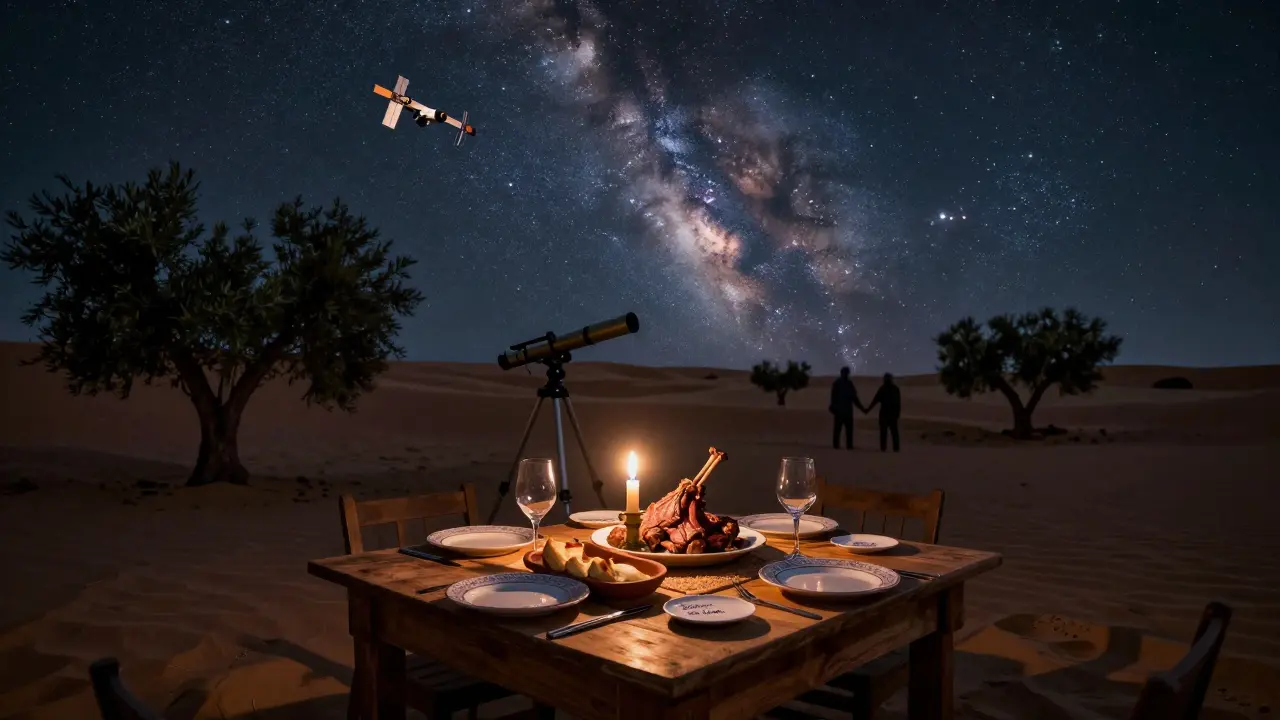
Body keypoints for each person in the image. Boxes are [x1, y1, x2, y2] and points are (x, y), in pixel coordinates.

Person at [829, 367, 866, 449]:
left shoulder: (844, 383)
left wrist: (862, 408)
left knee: (844, 430)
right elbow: (834, 397)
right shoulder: (843, 384)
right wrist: (862, 409)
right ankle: (840, 445)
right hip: (842, 411)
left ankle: (844, 445)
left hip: (844, 411)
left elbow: (854, 398)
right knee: (840, 429)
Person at [866, 372, 902, 452]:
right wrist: (897, 413)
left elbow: (875, 400)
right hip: (889, 414)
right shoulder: (893, 389)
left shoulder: (884, 389)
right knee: (892, 432)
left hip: (886, 414)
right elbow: (898, 404)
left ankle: (885, 448)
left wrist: (867, 410)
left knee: (887, 432)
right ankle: (893, 448)